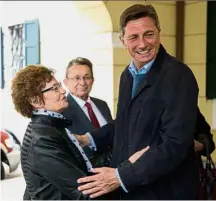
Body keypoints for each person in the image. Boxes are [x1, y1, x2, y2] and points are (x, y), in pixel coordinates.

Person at [75, 4, 200, 200]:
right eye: (133, 37)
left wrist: (121, 176)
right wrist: (87, 139)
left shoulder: (178, 75)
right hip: (131, 190)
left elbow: (176, 144)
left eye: (148, 34)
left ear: (159, 33)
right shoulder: (127, 75)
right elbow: (124, 124)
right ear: (123, 41)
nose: (142, 44)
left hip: (164, 192)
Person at [11, 65, 145, 200]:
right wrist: (127, 167)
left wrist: (125, 161)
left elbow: (84, 166)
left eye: (59, 85)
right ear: (35, 101)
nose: (63, 91)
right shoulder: (43, 139)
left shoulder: (52, 128)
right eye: (54, 88)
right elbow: (84, 192)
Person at [62, 57, 113, 168]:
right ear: (66, 82)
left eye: (87, 77)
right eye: (77, 78)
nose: (82, 82)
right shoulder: (62, 111)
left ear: (93, 80)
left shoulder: (102, 105)